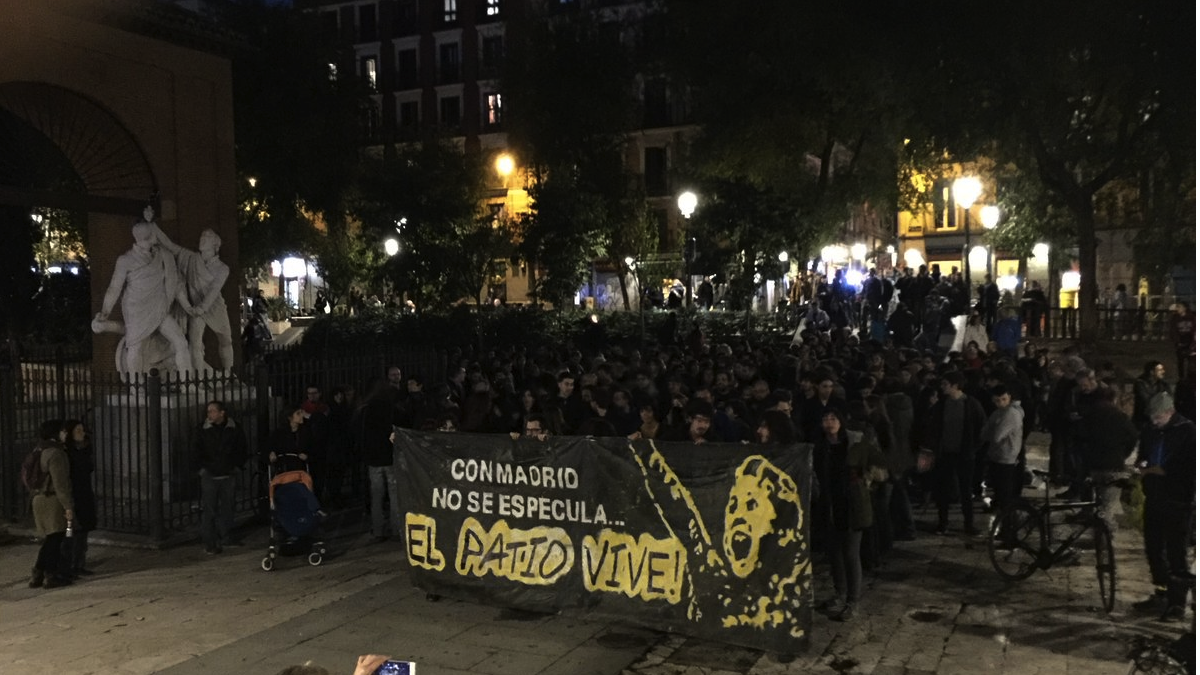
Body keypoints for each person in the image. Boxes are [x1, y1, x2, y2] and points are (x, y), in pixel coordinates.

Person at [92, 205, 196, 374]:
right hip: (136, 310)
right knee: (136, 347)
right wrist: (105, 311)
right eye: (154, 233)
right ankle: (136, 385)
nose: (157, 235)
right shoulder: (125, 260)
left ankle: (188, 383)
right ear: (149, 237)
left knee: (180, 341)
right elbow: (114, 288)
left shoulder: (162, 255)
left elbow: (173, 281)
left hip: (158, 307)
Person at [812, 410, 887, 621]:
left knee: (851, 553)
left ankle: (852, 601)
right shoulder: (820, 446)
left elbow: (877, 464)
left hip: (852, 504)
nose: (829, 423)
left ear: (842, 420)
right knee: (834, 553)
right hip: (830, 504)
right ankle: (840, 594)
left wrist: (865, 483)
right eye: (825, 419)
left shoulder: (855, 441)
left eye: (833, 418)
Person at [1132, 393, 1196, 622]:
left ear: (1170, 413)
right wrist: (1143, 463)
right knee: (1154, 548)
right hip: (1155, 497)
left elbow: (1188, 468)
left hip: (1178, 500)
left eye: (1158, 417)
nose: (1154, 421)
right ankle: (1161, 592)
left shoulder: (1188, 432)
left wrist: (1159, 470)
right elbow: (1145, 453)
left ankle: (1177, 603)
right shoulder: (1151, 429)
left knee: (1176, 552)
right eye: (1152, 417)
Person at [155, 227, 234, 371]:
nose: (201, 240)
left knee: (226, 340)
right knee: (195, 342)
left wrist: (202, 308)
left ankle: (229, 373)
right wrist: (153, 226)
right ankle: (198, 377)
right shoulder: (191, 259)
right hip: (196, 308)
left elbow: (213, 291)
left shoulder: (222, 268)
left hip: (213, 307)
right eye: (201, 237)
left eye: (206, 238)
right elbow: (171, 246)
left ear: (215, 246)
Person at [924, 370, 986, 535]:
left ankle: (969, 524)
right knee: (943, 489)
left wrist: (973, 448)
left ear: (955, 386)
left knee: (966, 490)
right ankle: (943, 522)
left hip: (964, 454)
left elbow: (982, 428)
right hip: (945, 454)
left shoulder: (971, 404)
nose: (942, 387)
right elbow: (933, 427)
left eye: (945, 384)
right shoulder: (942, 404)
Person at [194, 400, 249, 555]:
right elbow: (196, 450)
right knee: (210, 509)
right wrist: (202, 469)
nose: (209, 414)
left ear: (222, 413)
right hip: (210, 474)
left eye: (212, 411)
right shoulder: (202, 429)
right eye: (208, 411)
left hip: (227, 473)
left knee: (228, 507)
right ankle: (210, 542)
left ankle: (226, 536)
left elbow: (241, 447)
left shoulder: (233, 428)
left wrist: (237, 466)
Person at [29, 419, 74, 589]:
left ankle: (38, 573)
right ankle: (50, 574)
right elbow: (60, 484)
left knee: (50, 539)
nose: (65, 434)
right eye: (62, 431)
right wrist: (68, 507)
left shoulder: (40, 449)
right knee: (55, 539)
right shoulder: (56, 453)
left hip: (39, 498)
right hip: (53, 500)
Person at [360, 381, 403, 543]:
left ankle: (378, 530)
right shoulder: (391, 410)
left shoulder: (368, 410)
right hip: (389, 457)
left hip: (374, 458)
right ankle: (397, 528)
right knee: (394, 494)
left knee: (376, 495)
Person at [979, 385, 1023, 520]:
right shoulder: (998, 413)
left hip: (1006, 457)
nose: (1001, 403)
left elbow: (997, 436)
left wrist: (992, 430)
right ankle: (1006, 526)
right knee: (1000, 492)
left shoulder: (1011, 414)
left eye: (1003, 399)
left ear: (1009, 397)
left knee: (1005, 496)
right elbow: (984, 433)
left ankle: (1009, 529)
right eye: (997, 400)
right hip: (996, 456)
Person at [61, 419, 97, 577]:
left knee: (83, 531)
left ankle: (79, 563)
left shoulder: (86, 449)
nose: (81, 433)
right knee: (71, 532)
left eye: (82, 429)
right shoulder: (67, 453)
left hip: (85, 494)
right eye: (77, 430)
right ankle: (67, 565)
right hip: (73, 494)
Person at [1133, 361, 1172, 430]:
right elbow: (1146, 401)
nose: (1163, 371)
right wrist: (1160, 397)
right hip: (1143, 419)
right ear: (1152, 372)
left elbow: (1169, 400)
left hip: (1160, 418)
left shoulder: (1163, 384)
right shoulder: (1140, 383)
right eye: (1160, 370)